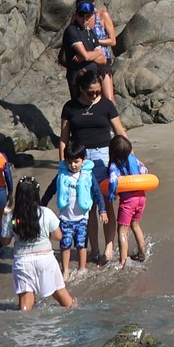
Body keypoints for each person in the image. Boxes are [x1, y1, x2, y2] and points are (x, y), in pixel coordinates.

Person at [59, 75, 127, 261]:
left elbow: (120, 132)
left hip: (103, 156)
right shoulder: (70, 107)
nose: (95, 94)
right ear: (81, 88)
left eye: (98, 91)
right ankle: (94, 249)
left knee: (106, 203)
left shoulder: (106, 105)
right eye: (91, 92)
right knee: (87, 204)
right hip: (79, 158)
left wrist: (131, 157)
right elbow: (64, 138)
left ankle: (109, 248)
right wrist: (62, 164)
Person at [3, 176, 75, 310]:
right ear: (36, 194)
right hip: (45, 260)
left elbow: (5, 241)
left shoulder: (11, 217)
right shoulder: (46, 213)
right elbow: (59, 236)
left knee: (25, 305)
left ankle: (25, 328)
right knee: (63, 297)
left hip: (22, 262)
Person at [48, 146, 97, 279]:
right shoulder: (62, 175)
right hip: (65, 218)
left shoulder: (87, 175)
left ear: (83, 160)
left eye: (76, 161)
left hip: (82, 218)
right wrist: (42, 205)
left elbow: (97, 192)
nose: (73, 165)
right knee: (65, 245)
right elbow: (50, 190)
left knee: (81, 245)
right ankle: (65, 270)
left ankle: (82, 269)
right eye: (69, 162)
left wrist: (103, 210)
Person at [59, 0, 114, 104]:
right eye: (81, 15)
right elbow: (86, 55)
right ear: (76, 14)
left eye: (88, 16)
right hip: (78, 77)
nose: (84, 19)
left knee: (106, 102)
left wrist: (89, 55)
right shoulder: (72, 30)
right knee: (80, 108)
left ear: (92, 15)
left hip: (95, 74)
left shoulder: (89, 31)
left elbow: (102, 59)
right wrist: (94, 54)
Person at [106, 134, 150, 264]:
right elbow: (144, 171)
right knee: (135, 225)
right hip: (141, 197)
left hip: (128, 201)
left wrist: (111, 194)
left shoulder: (114, 165)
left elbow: (113, 181)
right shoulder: (134, 159)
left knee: (122, 230)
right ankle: (142, 253)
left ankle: (123, 261)